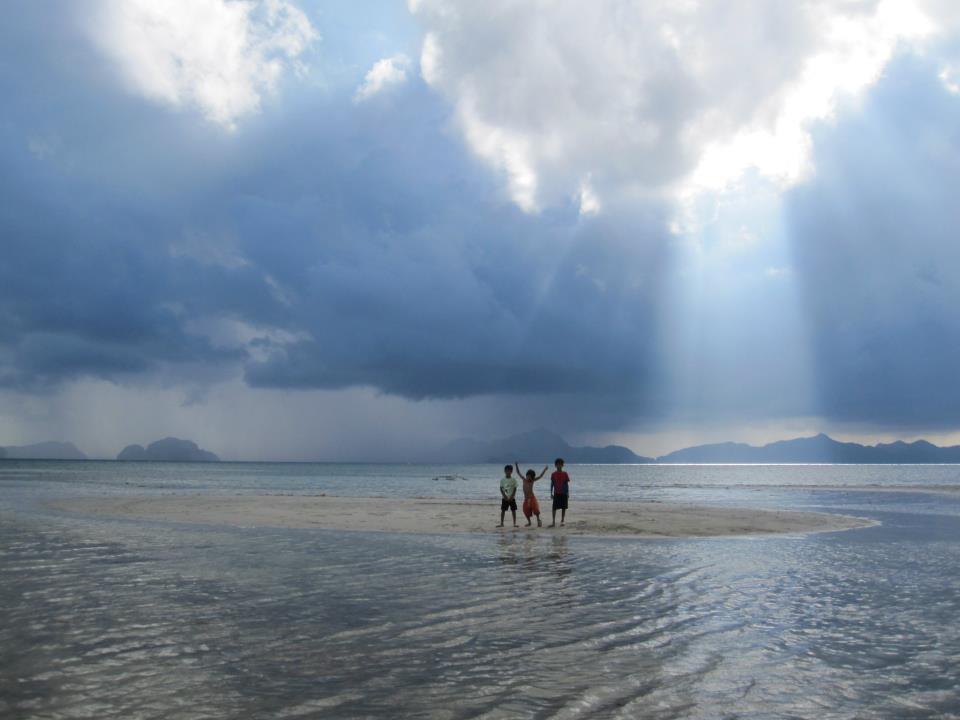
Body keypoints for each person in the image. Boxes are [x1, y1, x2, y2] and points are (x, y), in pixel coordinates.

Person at [515, 461, 548, 527]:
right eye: (527, 476)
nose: (528, 477)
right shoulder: (524, 479)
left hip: (532, 498)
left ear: (532, 477)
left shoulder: (532, 481)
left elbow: (540, 476)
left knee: (536, 510)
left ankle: (538, 520)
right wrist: (516, 465)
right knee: (525, 510)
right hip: (526, 499)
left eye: (530, 476)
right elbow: (518, 473)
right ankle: (529, 522)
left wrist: (545, 469)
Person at [549, 458, 571, 527]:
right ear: (555, 465)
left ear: (562, 465)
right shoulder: (553, 474)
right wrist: (551, 493)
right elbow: (552, 484)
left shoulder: (565, 474)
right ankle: (553, 521)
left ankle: (562, 520)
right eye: (558, 464)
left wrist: (568, 493)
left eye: (561, 464)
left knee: (564, 507)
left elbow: (566, 484)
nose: (559, 466)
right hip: (556, 493)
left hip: (564, 493)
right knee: (554, 507)